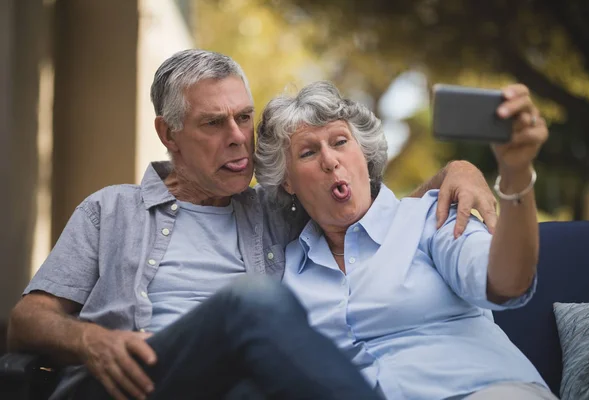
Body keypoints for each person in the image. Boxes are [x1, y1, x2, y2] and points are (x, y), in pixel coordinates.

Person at [8, 50, 497, 400]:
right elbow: (26, 321)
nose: (239, 138)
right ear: (168, 134)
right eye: (214, 123)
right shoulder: (109, 210)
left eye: (244, 117)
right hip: (129, 382)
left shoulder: (274, 207)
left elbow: (372, 212)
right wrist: (91, 340)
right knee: (253, 300)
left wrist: (456, 172)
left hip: (236, 384)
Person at [254, 81, 556, 400]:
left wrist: (516, 171)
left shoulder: (428, 218)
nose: (329, 161)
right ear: (287, 181)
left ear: (364, 154)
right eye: (308, 152)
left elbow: (507, 282)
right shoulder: (290, 273)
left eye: (340, 142)